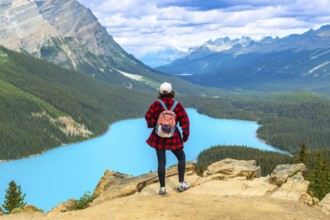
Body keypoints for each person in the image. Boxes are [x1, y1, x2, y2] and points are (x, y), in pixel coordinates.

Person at [145, 82, 190, 195]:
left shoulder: (156, 104)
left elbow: (148, 117)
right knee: (181, 157)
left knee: (161, 162)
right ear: (171, 92)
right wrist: (185, 136)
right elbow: (185, 122)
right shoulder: (177, 105)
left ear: (160, 92)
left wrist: (155, 125)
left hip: (159, 137)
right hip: (173, 137)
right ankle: (181, 184)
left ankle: (162, 188)